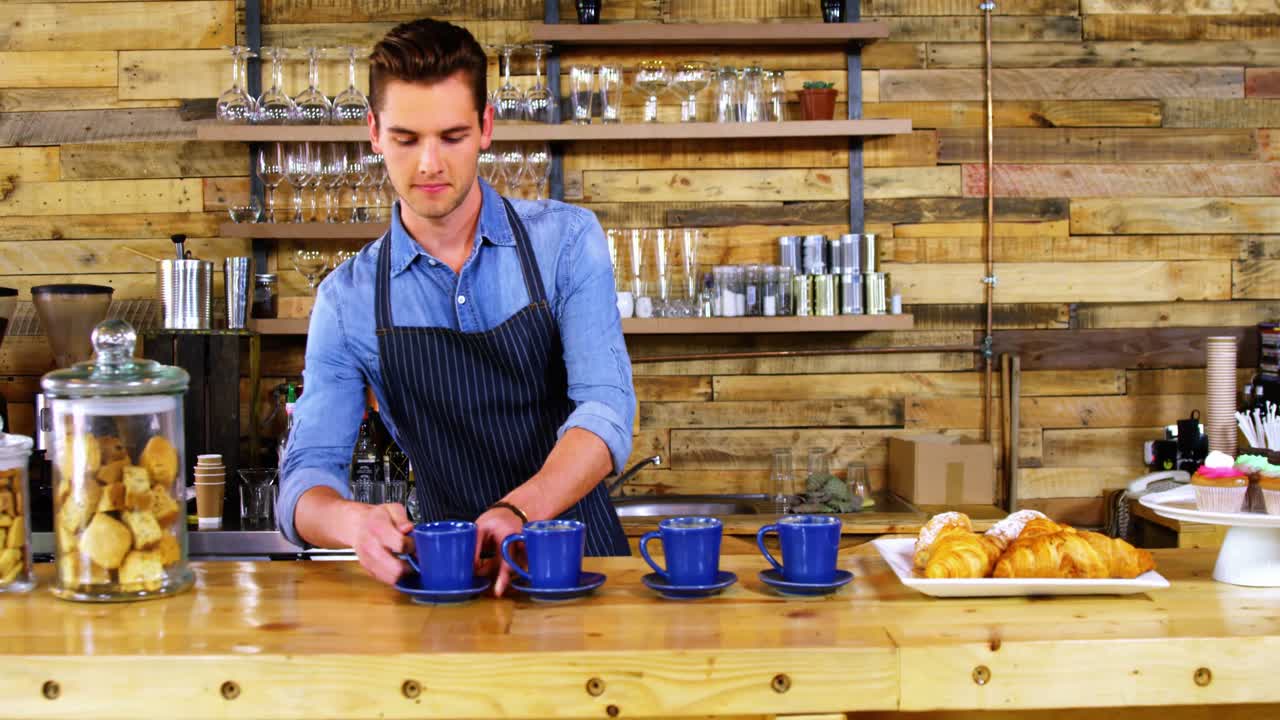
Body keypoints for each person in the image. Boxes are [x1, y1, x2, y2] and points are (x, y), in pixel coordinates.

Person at [277, 18, 635, 595]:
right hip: (447, 579)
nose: (429, 165)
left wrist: (518, 511)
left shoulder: (565, 242)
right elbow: (305, 477)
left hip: (582, 565)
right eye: (406, 138)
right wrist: (353, 523)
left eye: (451, 136)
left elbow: (608, 406)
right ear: (372, 132)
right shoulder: (346, 300)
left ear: (486, 127)